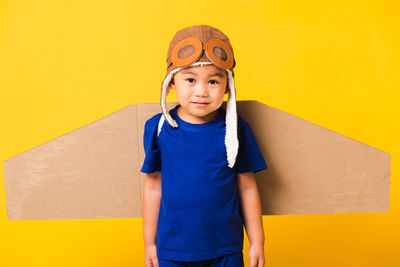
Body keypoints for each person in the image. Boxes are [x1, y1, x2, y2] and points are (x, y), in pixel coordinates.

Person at [141, 25, 268, 267]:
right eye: (190, 79)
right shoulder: (158, 128)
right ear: (171, 83)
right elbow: (152, 188)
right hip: (172, 251)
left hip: (226, 249)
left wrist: (258, 240)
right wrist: (149, 243)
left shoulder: (235, 129)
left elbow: (247, 188)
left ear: (227, 87)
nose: (201, 91)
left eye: (212, 81)